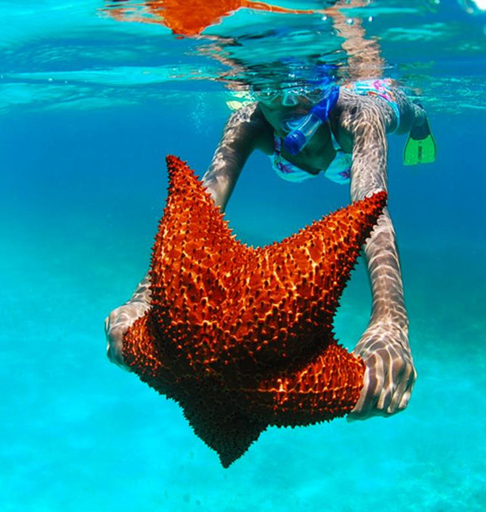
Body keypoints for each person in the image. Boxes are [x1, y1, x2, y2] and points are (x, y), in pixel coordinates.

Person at [104, 68, 436, 420]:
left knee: (409, 116)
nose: (289, 98)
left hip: (375, 103)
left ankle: (420, 121)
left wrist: (391, 323)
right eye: (269, 88)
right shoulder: (250, 122)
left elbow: (375, 215)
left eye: (307, 83)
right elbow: (197, 213)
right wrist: (144, 297)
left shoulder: (359, 116)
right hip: (305, 154)